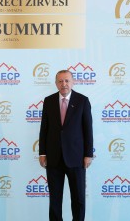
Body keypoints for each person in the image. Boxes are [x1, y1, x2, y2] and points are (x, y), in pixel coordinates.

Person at [39, 70, 93, 221]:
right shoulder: (48, 101)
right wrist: (42, 153)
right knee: (55, 199)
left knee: (78, 198)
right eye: (61, 81)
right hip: (54, 158)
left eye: (67, 81)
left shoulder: (82, 101)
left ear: (73, 82)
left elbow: (88, 129)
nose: (64, 84)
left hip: (76, 158)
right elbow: (44, 128)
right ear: (56, 83)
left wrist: (88, 154)